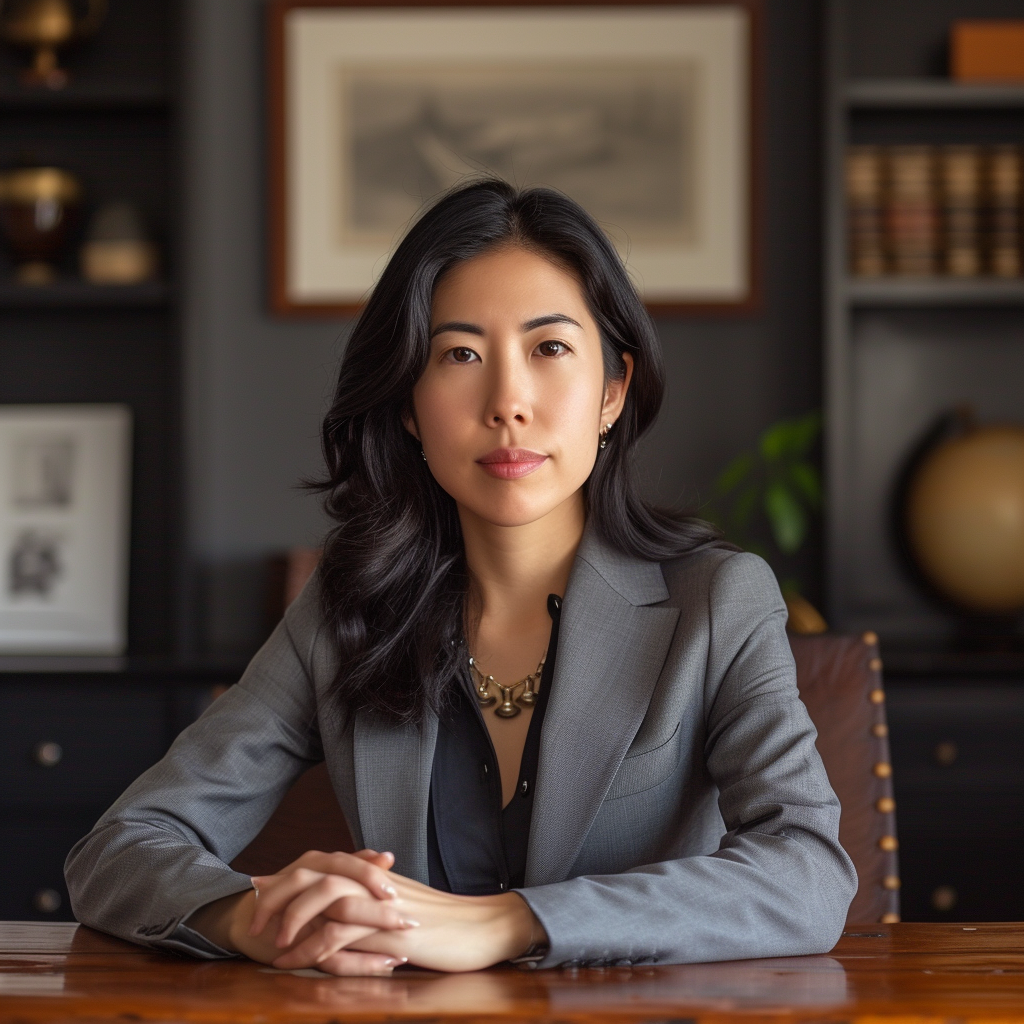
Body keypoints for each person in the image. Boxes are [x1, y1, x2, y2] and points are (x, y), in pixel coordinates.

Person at [66, 179, 856, 976]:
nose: (507, 401)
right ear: (409, 405)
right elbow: (118, 850)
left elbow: (809, 875)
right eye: (460, 355)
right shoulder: (345, 613)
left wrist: (509, 924)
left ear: (612, 390)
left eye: (549, 349)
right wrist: (249, 915)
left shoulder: (715, 602)